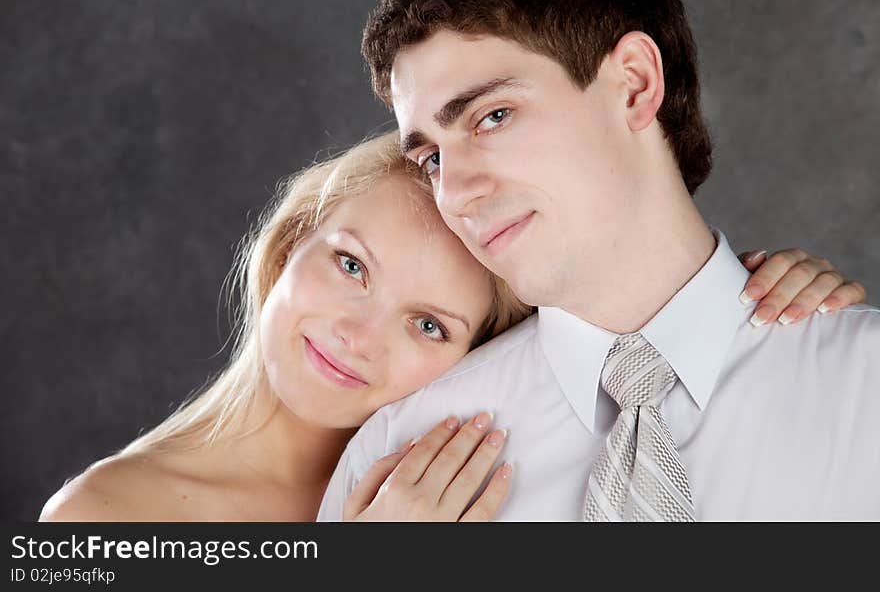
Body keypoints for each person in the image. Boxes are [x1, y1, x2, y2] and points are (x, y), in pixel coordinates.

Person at [318, 0, 878, 521]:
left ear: (634, 84)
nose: (455, 194)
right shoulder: (393, 465)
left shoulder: (865, 387)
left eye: (493, 117)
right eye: (432, 158)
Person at [39, 131, 853, 521]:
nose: (359, 333)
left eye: (428, 324)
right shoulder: (103, 515)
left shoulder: (504, 471)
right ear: (289, 244)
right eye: (352, 265)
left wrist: (741, 303)